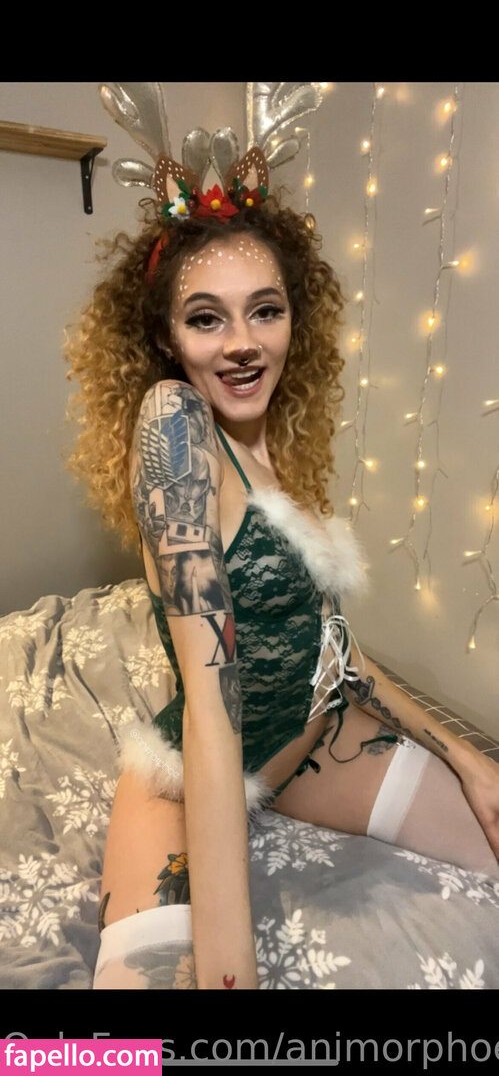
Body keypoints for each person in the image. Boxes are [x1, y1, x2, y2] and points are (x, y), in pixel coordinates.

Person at [64, 166, 499, 992]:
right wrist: (234, 974)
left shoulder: (275, 448)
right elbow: (210, 703)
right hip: (187, 779)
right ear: (167, 338)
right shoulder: (176, 426)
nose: (241, 342)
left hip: (317, 745)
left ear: (294, 317)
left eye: (264, 310)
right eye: (206, 318)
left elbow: (333, 644)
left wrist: (471, 760)